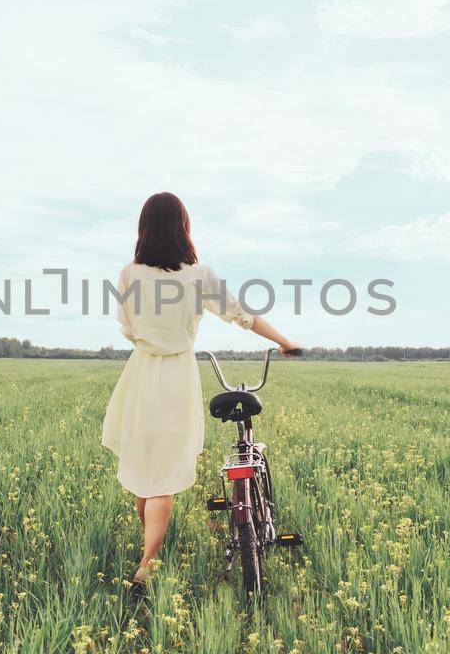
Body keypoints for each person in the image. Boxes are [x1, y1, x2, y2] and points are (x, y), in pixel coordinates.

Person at [100, 192, 300, 591]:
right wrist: (284, 341)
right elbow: (243, 316)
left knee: (145, 471)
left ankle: (149, 550)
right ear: (184, 227)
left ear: (144, 228)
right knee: (163, 476)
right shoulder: (197, 273)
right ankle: (148, 561)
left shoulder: (128, 274)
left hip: (141, 374)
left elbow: (126, 327)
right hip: (177, 374)